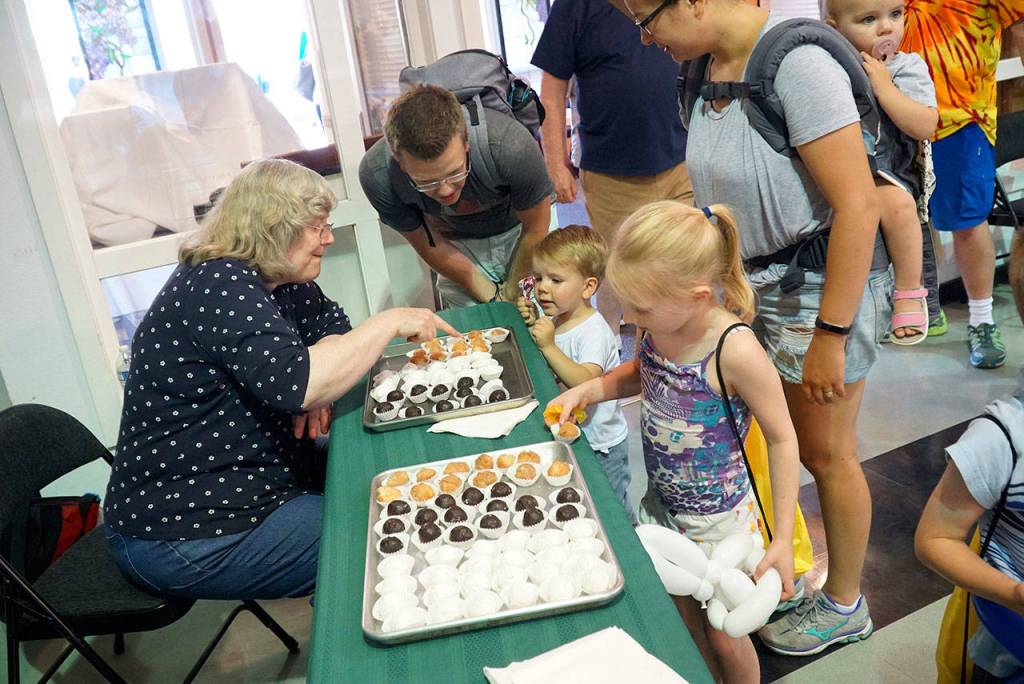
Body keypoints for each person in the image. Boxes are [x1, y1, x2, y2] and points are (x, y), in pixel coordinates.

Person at [615, 0, 889, 655]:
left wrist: (831, 334)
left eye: (646, 19)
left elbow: (859, 205)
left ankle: (846, 602)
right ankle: (776, 560)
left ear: (693, 3)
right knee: (766, 436)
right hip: (753, 288)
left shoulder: (798, 65)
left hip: (813, 293)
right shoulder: (704, 71)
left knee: (824, 451)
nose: (645, 37)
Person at [104, 159, 457, 600]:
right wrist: (389, 322)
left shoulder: (277, 277)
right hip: (186, 528)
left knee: (399, 474)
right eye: (318, 227)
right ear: (274, 229)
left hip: (257, 480)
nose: (328, 238)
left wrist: (321, 386)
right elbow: (301, 382)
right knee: (393, 537)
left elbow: (331, 329)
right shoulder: (216, 284)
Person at [548, 201, 800, 682]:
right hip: (662, 505)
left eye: (640, 307)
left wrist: (783, 538)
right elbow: (640, 375)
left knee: (725, 632)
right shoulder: (657, 324)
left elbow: (783, 438)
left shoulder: (734, 349)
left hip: (719, 523)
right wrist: (589, 389)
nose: (629, 316)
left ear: (698, 295)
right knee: (682, 618)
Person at [531, 0, 692, 335]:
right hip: (612, 176)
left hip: (681, 162)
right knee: (621, 278)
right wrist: (556, 165)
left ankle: (677, 368)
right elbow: (551, 92)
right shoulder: (575, 7)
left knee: (679, 273)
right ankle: (613, 363)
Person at [902, 0, 1024, 368]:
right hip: (893, 109)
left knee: (967, 222)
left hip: (960, 118)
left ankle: (982, 318)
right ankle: (924, 306)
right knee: (906, 216)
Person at [358, 84, 554, 308]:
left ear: (466, 142)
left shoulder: (509, 145)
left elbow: (536, 228)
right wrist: (492, 297)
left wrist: (511, 293)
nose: (445, 191)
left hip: (523, 231)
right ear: (399, 161)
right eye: (426, 181)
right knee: (474, 333)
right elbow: (427, 243)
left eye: (455, 173)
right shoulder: (378, 175)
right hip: (455, 245)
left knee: (545, 324)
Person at [826, 0, 938, 344]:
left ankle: (909, 289)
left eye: (895, 14)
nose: (887, 28)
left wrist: (885, 88)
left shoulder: (907, 68)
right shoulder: (827, 69)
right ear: (834, 29)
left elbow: (925, 123)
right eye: (868, 19)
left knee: (900, 207)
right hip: (837, 172)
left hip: (886, 172)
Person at [515, 226, 634, 522]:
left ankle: (631, 539)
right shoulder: (559, 318)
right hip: (572, 434)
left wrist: (549, 345)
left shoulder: (593, 331)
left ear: (588, 287)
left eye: (556, 280)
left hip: (601, 443)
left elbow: (586, 383)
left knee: (611, 507)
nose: (543, 288)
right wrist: (534, 323)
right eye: (539, 277)